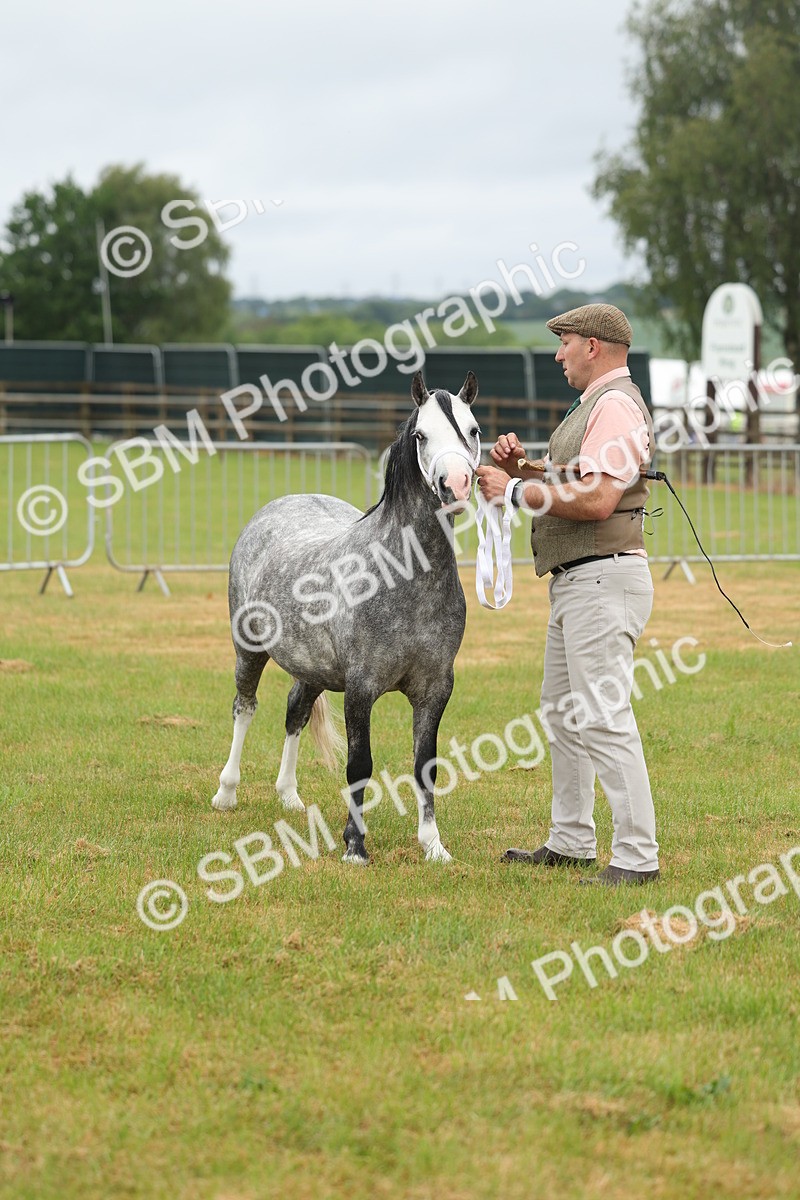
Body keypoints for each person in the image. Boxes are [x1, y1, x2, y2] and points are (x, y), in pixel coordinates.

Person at [475, 303, 660, 886]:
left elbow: (598, 500)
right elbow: (573, 483)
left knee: (603, 719)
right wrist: (524, 469)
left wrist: (513, 494)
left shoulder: (613, 406)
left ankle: (636, 857)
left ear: (594, 347)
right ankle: (571, 840)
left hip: (602, 580)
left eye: (566, 342)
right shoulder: (596, 407)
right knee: (562, 715)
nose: (557, 354)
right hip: (581, 581)